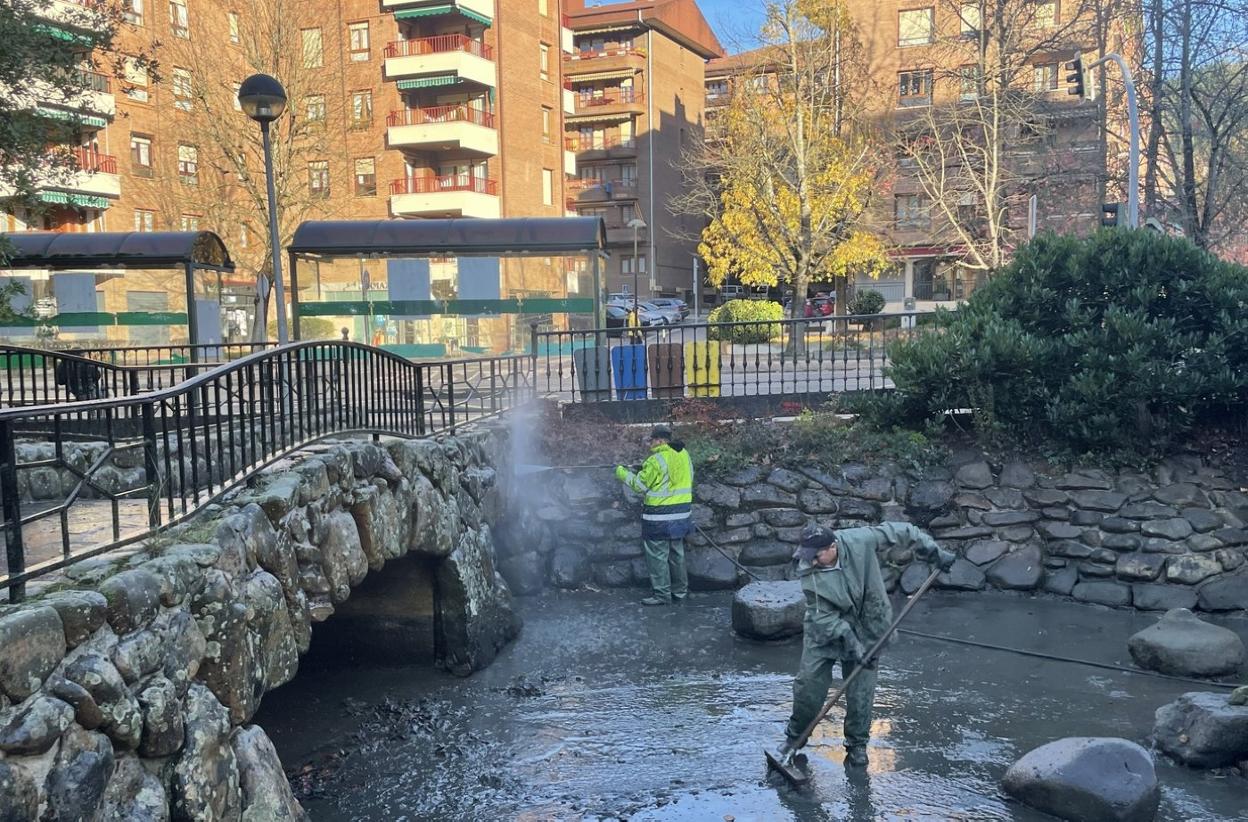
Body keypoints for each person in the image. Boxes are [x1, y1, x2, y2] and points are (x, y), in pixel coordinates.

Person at [778, 521, 955, 768]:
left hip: (869, 624)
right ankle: (795, 738)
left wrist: (934, 552)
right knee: (809, 684)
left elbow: (904, 531)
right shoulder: (808, 569)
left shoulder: (859, 540)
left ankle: (857, 746)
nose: (813, 561)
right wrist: (851, 642)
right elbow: (824, 616)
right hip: (826, 628)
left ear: (832, 547)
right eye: (809, 556)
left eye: (816, 556)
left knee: (861, 690)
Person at [614, 425, 693, 606]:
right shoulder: (684, 455)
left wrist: (621, 472)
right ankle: (680, 593)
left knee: (657, 557)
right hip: (681, 514)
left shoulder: (655, 460)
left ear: (659, 440)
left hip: (659, 517)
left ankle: (662, 595)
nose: (650, 444)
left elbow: (639, 485)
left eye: (651, 440)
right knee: (677, 554)